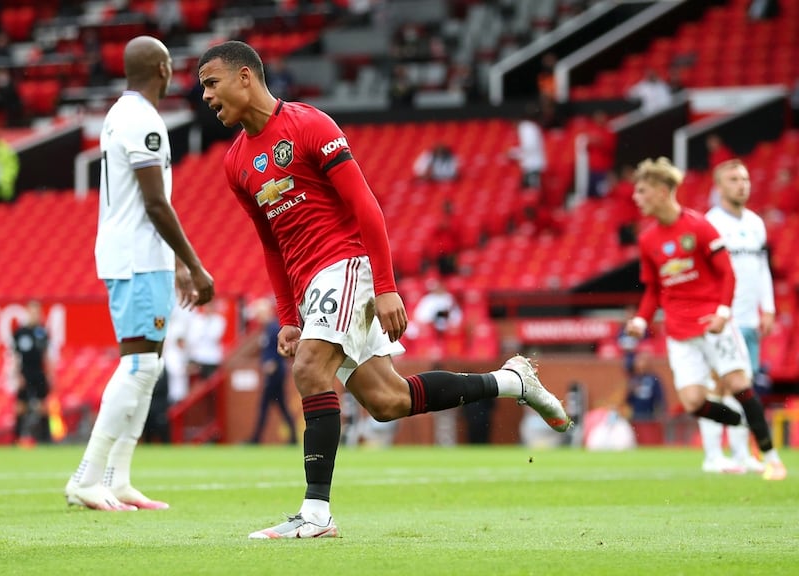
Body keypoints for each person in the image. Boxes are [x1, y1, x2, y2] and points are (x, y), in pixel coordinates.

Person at [197, 40, 572, 539]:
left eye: (211, 83)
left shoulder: (309, 125)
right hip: (310, 285)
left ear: (245, 77)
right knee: (389, 400)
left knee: (310, 369)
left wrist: (387, 285)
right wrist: (289, 315)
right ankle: (512, 381)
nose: (205, 96)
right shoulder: (235, 163)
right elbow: (270, 244)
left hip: (346, 265)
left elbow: (366, 206)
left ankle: (316, 513)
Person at [64, 36, 214, 512]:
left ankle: (119, 477)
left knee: (148, 368)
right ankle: (88, 477)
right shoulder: (143, 120)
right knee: (138, 365)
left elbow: (146, 202)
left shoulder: (119, 115)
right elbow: (154, 203)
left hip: (139, 255)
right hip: (135, 257)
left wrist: (173, 264)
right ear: (164, 69)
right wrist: (193, 263)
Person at [623, 157, 786, 481]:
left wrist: (723, 312)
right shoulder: (647, 239)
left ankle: (772, 458)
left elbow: (727, 273)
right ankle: (743, 424)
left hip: (713, 323)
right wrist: (642, 319)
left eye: (642, 191)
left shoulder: (698, 225)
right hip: (679, 332)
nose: (635, 198)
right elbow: (654, 288)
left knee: (739, 384)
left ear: (661, 190)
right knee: (694, 401)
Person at [699, 159, 775, 474]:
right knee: (717, 385)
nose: (742, 184)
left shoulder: (757, 223)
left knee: (744, 388)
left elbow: (762, 268)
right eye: (733, 179)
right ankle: (714, 456)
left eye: (745, 178)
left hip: (748, 319)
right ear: (719, 186)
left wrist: (767, 306)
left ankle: (742, 455)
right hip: (722, 319)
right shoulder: (709, 223)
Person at [249, 298, 298, 445]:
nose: (258, 317)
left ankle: (256, 439)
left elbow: (278, 349)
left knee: (266, 407)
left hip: (275, 373)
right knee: (281, 406)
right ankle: (293, 438)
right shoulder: (268, 329)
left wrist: (273, 364)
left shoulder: (273, 328)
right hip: (275, 372)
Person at [12, 300, 52, 445]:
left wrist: (50, 375)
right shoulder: (20, 332)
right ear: (27, 312)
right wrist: (17, 375)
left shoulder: (43, 332)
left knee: (43, 405)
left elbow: (47, 355)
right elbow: (15, 356)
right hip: (25, 372)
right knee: (20, 406)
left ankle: (46, 438)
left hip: (39, 372)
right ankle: (16, 438)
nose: (35, 315)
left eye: (37, 312)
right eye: (32, 311)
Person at [509, 107, 546, 190]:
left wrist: (513, 154)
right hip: (532, 165)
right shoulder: (529, 126)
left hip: (533, 165)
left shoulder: (526, 128)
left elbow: (529, 147)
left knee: (531, 190)